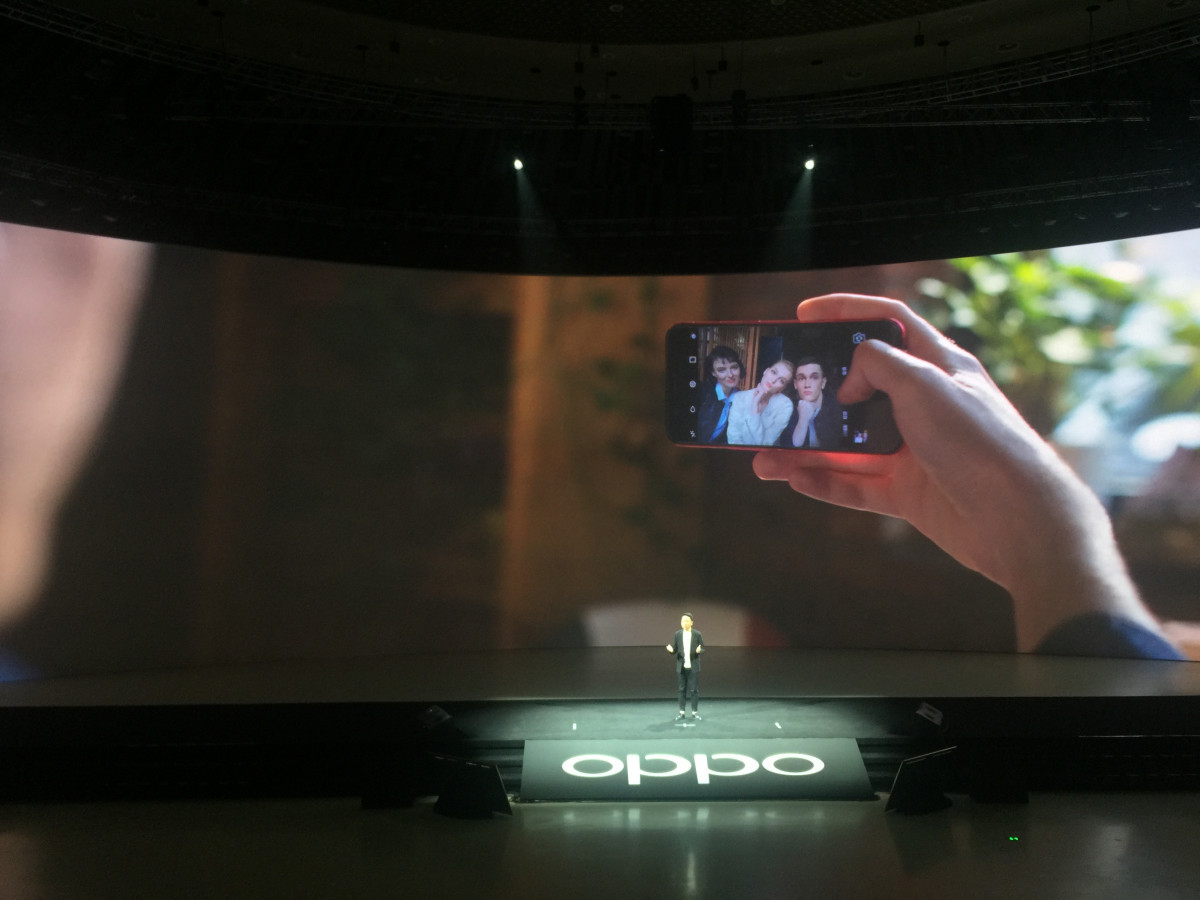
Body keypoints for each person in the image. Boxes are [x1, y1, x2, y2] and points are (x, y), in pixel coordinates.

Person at [753, 294, 1185, 660]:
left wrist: (1048, 538)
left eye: (810, 376)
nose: (801, 383)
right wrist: (1048, 546)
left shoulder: (819, 412)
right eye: (797, 378)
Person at [778, 356, 843, 449]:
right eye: (801, 378)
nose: (807, 384)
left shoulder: (835, 409)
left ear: (823, 382)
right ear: (795, 384)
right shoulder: (787, 411)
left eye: (814, 378)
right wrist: (803, 420)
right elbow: (788, 449)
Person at [727, 359, 795, 447]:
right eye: (774, 372)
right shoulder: (739, 398)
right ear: (766, 371)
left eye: (781, 380)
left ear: (781, 389)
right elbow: (733, 438)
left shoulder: (785, 405)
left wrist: (755, 405)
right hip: (738, 453)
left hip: (766, 454)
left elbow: (765, 444)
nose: (773, 380)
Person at [696, 345, 743, 444]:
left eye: (734, 367)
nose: (730, 375)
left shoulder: (742, 398)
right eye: (722, 370)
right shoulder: (701, 392)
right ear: (713, 373)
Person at [665, 613, 704, 720]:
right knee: (681, 689)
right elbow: (675, 649)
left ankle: (694, 712)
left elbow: (703, 648)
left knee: (694, 690)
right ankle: (681, 712)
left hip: (693, 666)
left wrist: (699, 651)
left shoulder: (697, 634)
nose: (684, 623)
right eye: (682, 621)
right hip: (681, 667)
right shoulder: (677, 634)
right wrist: (671, 650)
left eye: (687, 621)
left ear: (691, 623)